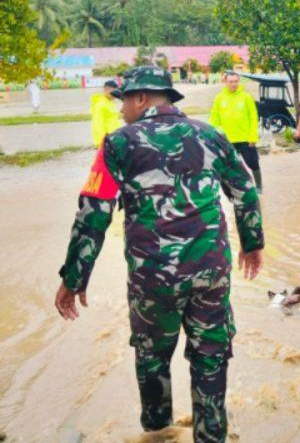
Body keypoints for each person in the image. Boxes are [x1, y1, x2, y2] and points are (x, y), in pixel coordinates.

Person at [54, 66, 264, 442]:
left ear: (141, 98)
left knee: (152, 359)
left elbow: (93, 214)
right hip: (210, 271)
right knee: (211, 357)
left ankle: (158, 432)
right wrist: (252, 243)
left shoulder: (118, 144)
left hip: (153, 278)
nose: (120, 111)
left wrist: (74, 279)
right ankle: (210, 436)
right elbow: (245, 190)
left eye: (124, 102)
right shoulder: (211, 134)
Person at [209, 71, 263, 193]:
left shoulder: (246, 97)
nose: (233, 84)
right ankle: (234, 189)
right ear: (225, 82)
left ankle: (259, 186)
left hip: (245, 138)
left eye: (235, 81)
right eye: (230, 81)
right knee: (228, 167)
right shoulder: (219, 98)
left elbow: (254, 118)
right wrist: (218, 136)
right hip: (227, 140)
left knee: (253, 163)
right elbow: (214, 120)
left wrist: (252, 137)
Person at [90, 80, 123, 147]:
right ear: (106, 89)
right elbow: (98, 124)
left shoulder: (109, 102)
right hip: (107, 142)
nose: (115, 95)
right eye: (114, 92)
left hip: (114, 138)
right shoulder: (100, 104)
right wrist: (102, 142)